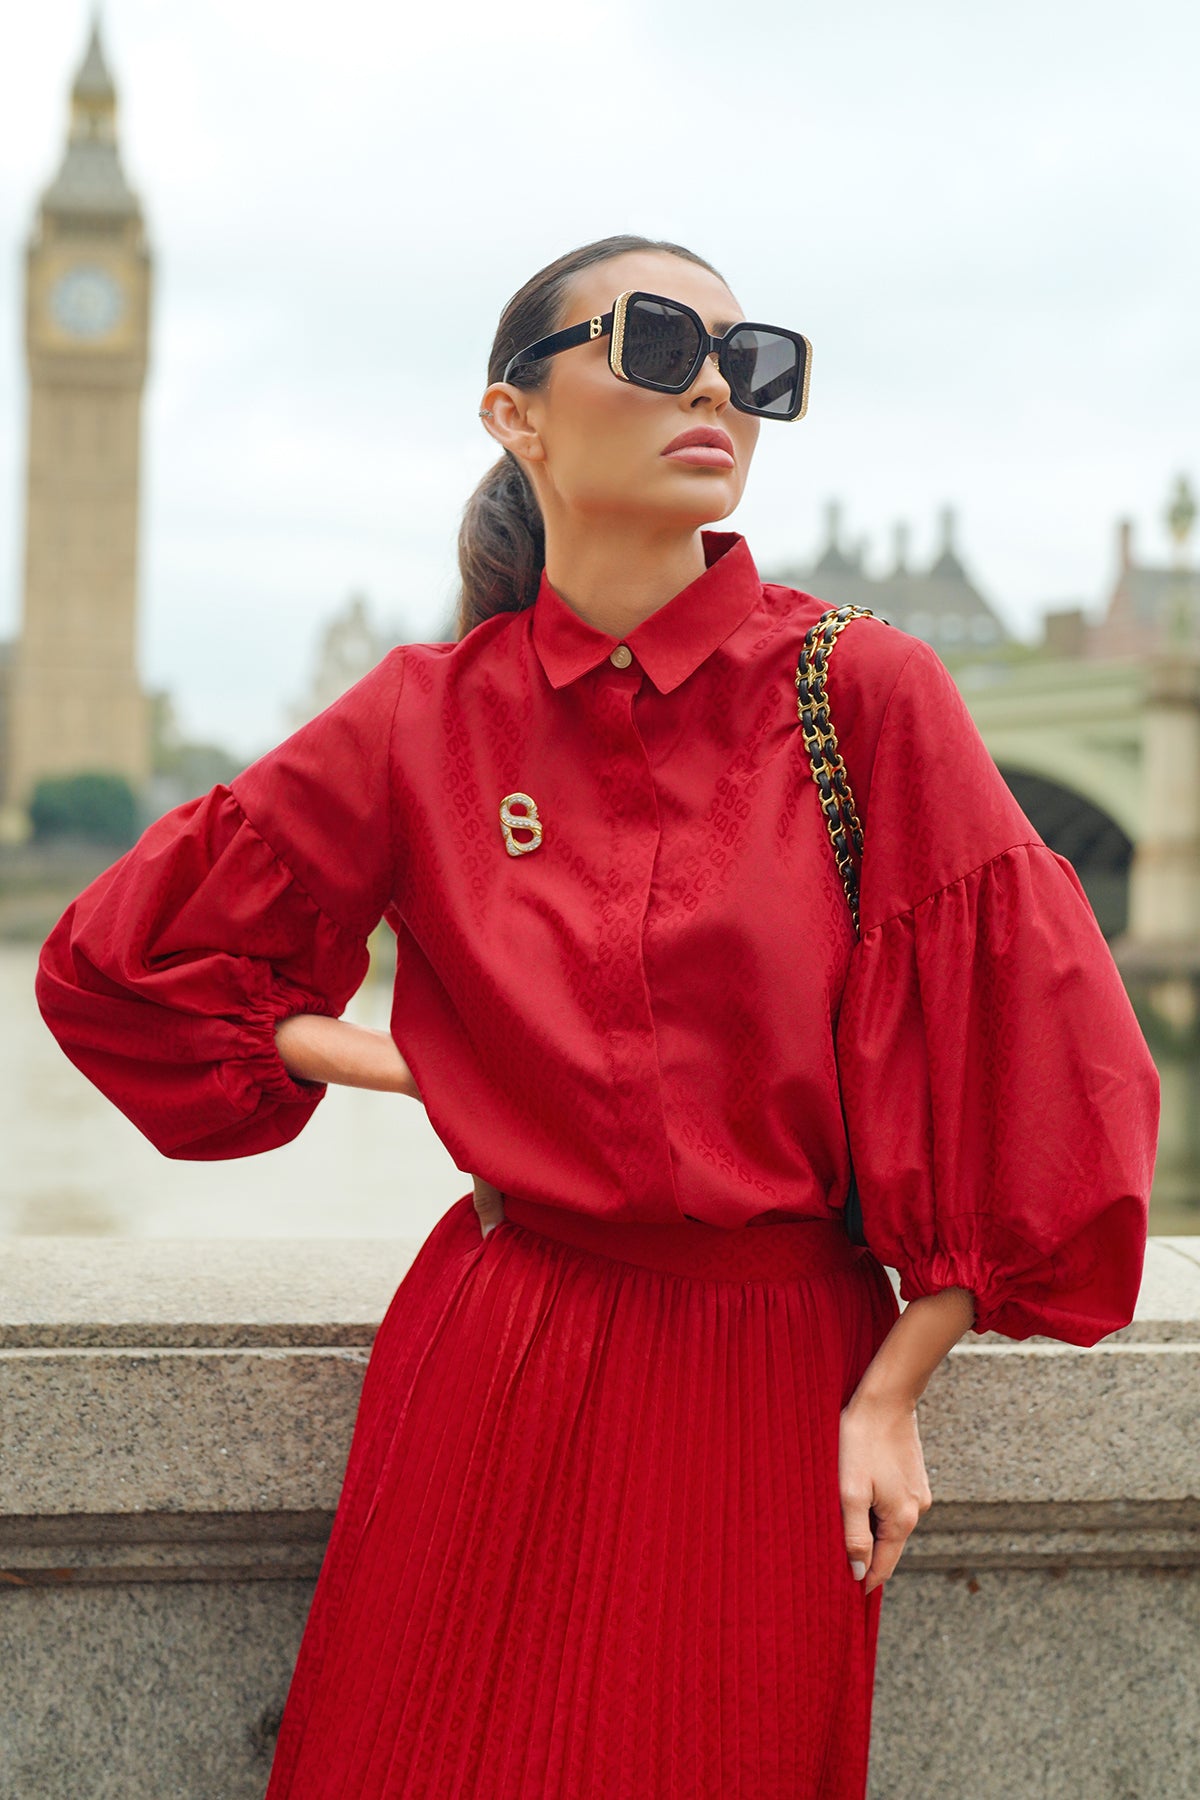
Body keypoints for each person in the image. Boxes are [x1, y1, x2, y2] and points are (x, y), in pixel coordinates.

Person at [35, 234, 1159, 1800]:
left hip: (769, 1388)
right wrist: (422, 1065)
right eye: (655, 344)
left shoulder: (860, 691)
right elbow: (125, 962)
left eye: (749, 362)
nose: (714, 389)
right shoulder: (426, 714)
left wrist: (896, 1385)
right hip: (494, 1354)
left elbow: (1044, 1080)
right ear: (518, 414)